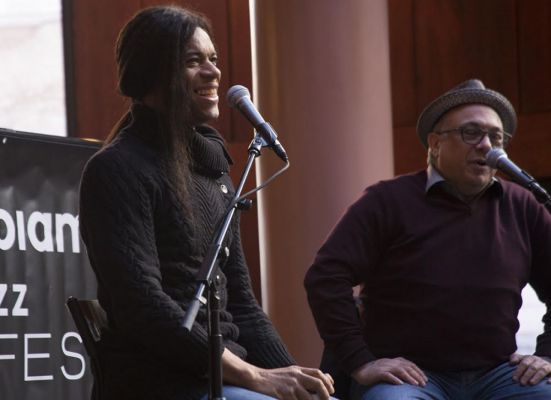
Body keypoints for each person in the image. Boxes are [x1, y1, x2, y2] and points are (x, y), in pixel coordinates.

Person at [79, 6, 335, 400]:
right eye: (193, 61)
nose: (214, 72)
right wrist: (253, 376)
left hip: (225, 373)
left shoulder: (213, 173)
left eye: (213, 59)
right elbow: (143, 309)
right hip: (163, 381)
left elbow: (245, 307)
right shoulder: (116, 170)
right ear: (151, 73)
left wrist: (291, 376)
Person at [304, 79, 551, 400]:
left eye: (496, 136)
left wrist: (546, 355)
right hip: (411, 378)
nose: (487, 146)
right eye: (471, 133)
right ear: (434, 143)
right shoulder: (386, 201)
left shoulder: (523, 205)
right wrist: (361, 361)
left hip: (499, 373)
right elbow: (326, 277)